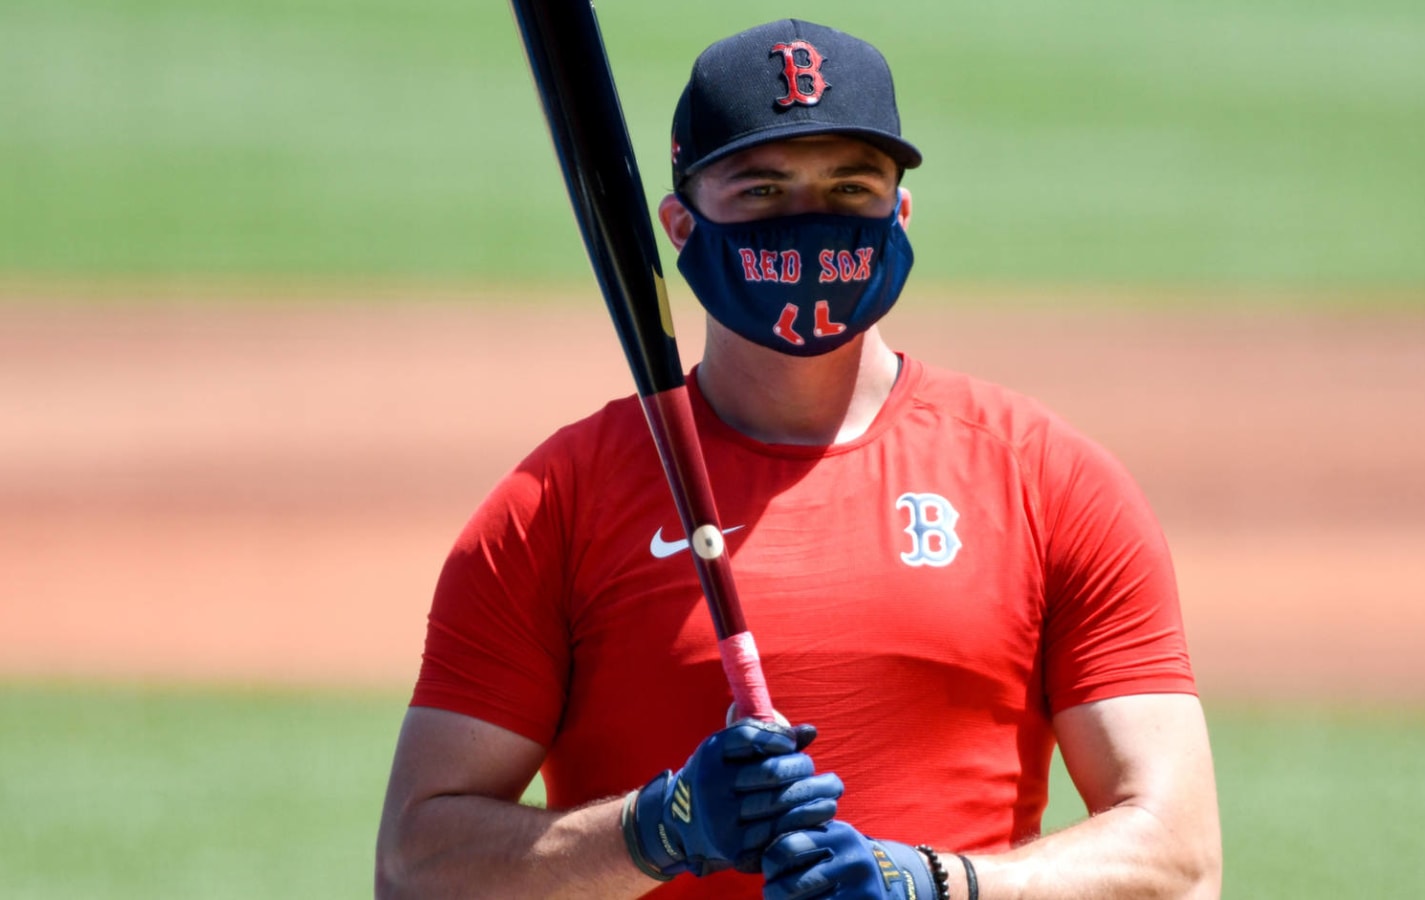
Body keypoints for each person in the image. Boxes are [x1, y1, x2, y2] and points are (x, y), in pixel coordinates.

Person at [376, 18, 1221, 900]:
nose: (809, 223)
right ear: (678, 222)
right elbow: (414, 869)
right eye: (763, 191)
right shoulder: (558, 501)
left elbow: (1180, 862)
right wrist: (655, 829)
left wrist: (932, 887)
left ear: (901, 210)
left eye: (850, 188)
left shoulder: (1047, 482)